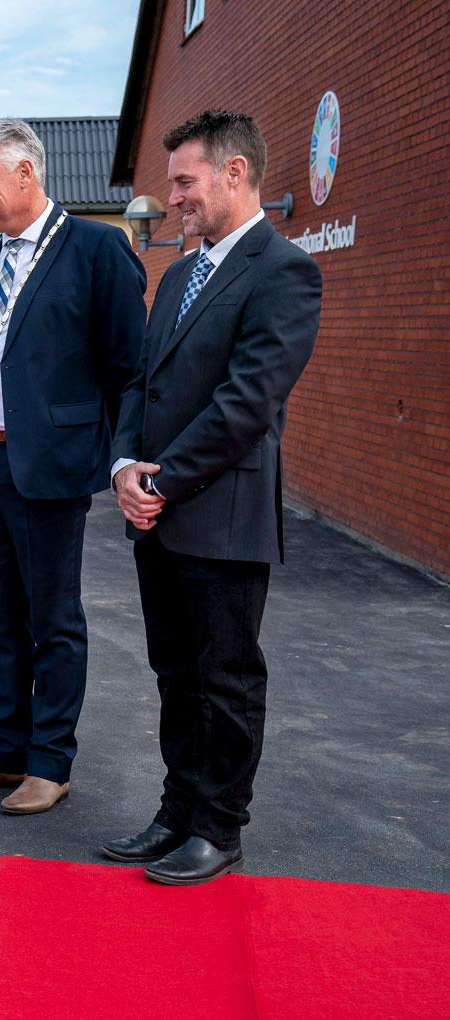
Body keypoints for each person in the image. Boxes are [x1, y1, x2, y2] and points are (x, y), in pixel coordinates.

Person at [105, 111, 322, 885]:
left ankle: (219, 828)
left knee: (226, 678)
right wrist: (125, 463)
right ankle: (176, 812)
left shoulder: (283, 270)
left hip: (222, 520)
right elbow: (142, 382)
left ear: (235, 174)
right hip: (158, 514)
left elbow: (247, 403)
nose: (174, 199)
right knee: (174, 675)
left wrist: (158, 480)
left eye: (185, 181)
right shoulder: (177, 278)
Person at [0, 118, 145, 815]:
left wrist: (112, 459)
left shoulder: (98, 248)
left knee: (53, 617)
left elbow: (129, 370)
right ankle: (2, 748)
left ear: (26, 174)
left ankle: (51, 761)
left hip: (50, 469)